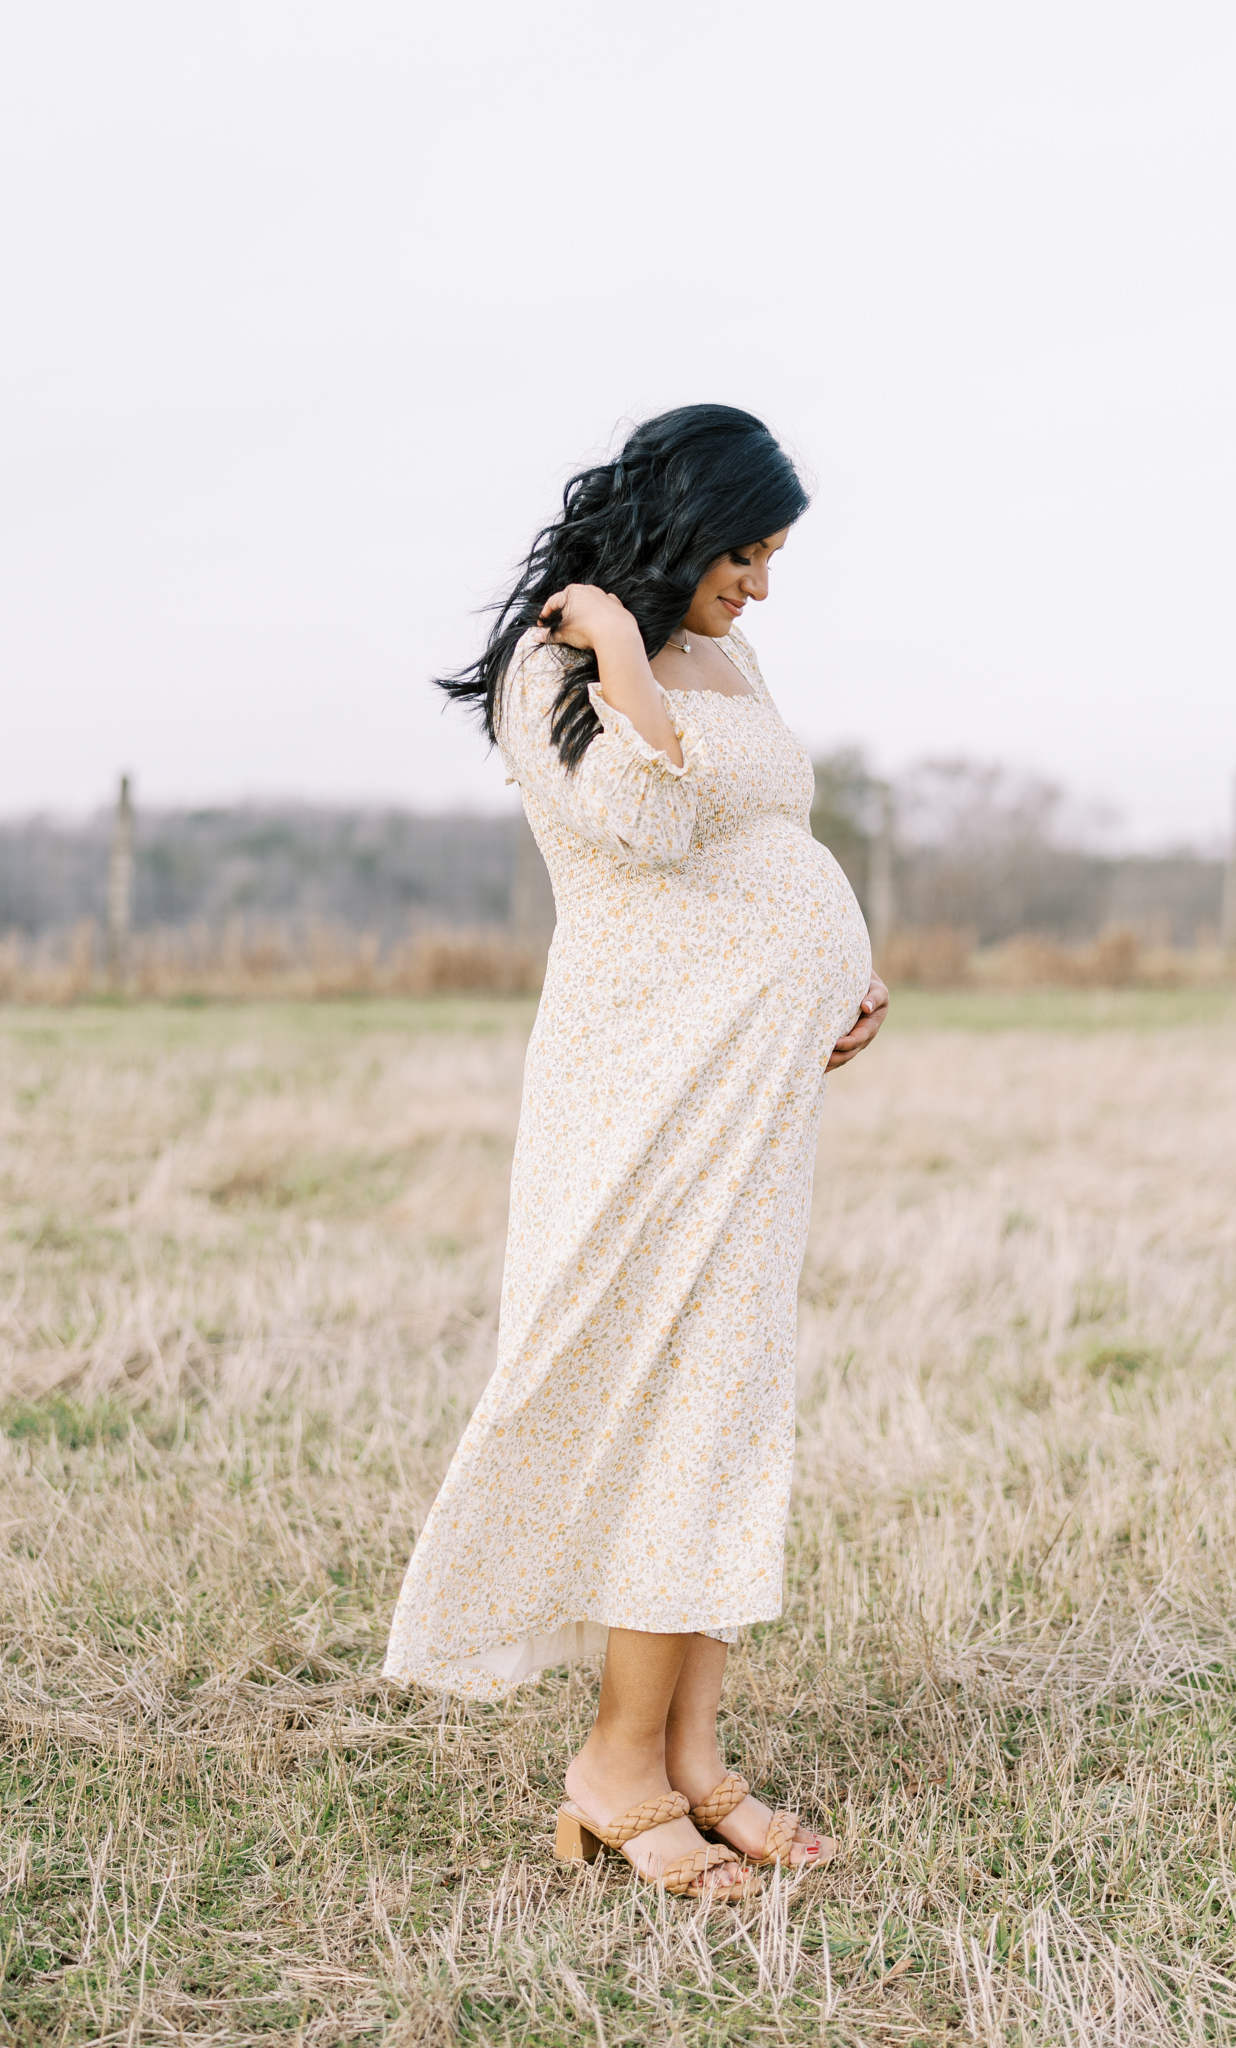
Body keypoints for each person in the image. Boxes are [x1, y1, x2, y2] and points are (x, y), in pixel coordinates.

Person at [384, 404, 888, 1901]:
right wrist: (610, 646)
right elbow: (647, 832)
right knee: (664, 1397)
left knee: (726, 1401)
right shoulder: (551, 674)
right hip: (645, 1090)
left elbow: (758, 835)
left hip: (750, 1082)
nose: (762, 586)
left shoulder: (727, 654)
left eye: (774, 557)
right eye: (744, 552)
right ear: (675, 531)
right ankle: (612, 1767)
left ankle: (690, 1758)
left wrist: (841, 967)